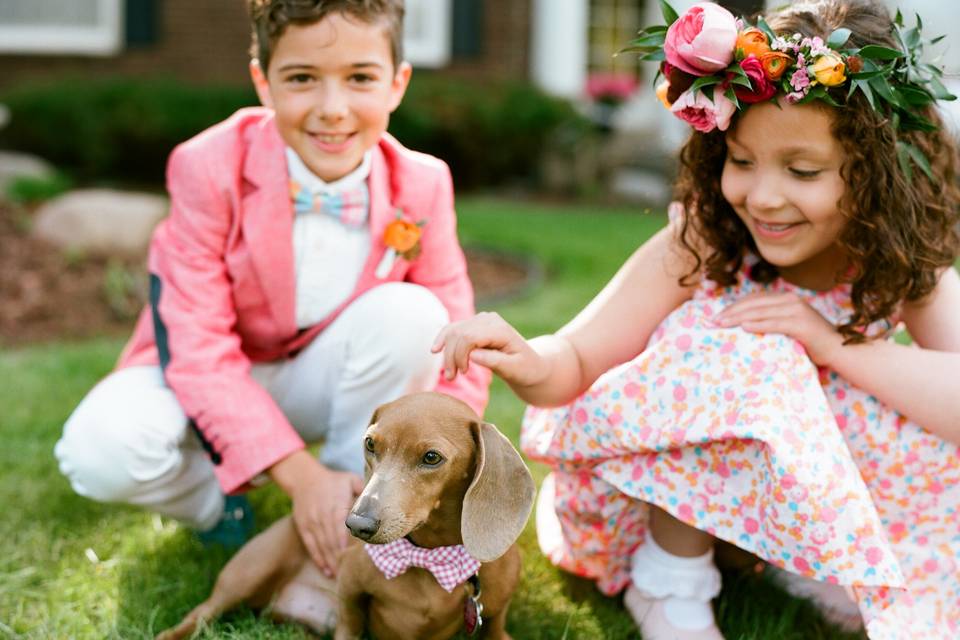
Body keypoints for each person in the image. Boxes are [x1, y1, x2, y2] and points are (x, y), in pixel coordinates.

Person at [434, 0, 960, 637]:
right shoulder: (704, 241)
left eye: (802, 171)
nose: (762, 196)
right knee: (743, 343)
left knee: (891, 394)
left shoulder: (902, 263)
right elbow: (575, 359)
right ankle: (668, 583)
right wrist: (530, 357)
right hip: (639, 504)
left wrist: (830, 343)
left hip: (778, 495)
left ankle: (806, 557)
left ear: (880, 175)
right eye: (742, 161)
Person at [55, 0, 489, 583]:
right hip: (199, 375)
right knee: (98, 451)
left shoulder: (422, 181)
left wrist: (459, 455)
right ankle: (225, 508)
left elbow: (460, 339)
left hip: (331, 376)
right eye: (302, 78)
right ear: (263, 81)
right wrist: (297, 475)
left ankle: (350, 513)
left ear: (397, 83)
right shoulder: (205, 165)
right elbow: (199, 348)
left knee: (418, 316)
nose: (332, 110)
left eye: (359, 78)